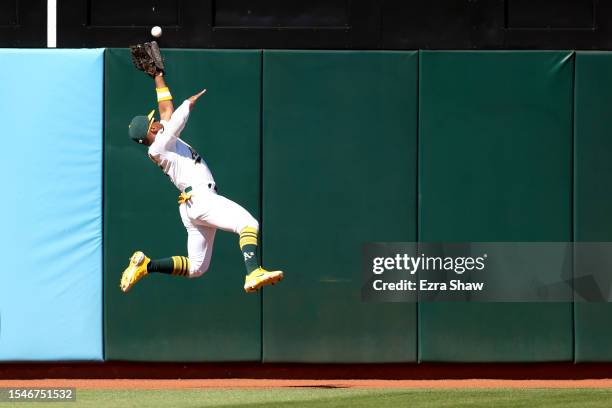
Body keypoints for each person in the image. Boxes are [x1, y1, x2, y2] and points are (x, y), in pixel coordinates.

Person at [120, 72, 283, 293]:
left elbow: (166, 109)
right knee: (248, 223)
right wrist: (189, 101)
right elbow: (176, 115)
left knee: (197, 268)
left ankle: (147, 266)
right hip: (201, 198)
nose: (157, 121)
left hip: (190, 205)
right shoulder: (160, 144)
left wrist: (158, 77)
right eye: (153, 121)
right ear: (152, 129)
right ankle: (253, 272)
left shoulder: (163, 140)